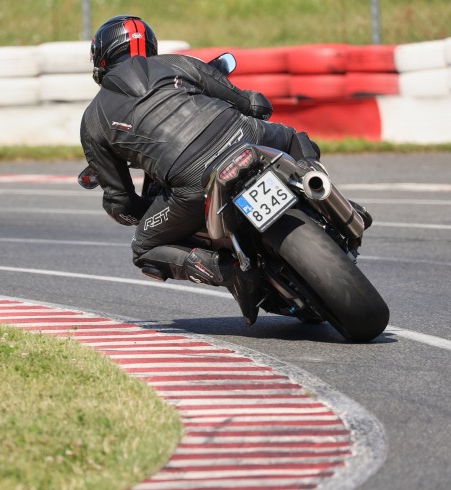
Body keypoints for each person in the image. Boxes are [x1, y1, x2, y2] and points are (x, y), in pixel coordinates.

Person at [79, 14, 344, 321]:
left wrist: (140, 213)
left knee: (143, 247)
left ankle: (229, 271)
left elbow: (119, 202)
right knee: (294, 137)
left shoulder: (93, 120)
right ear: (150, 45)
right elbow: (251, 103)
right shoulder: (177, 63)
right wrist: (254, 104)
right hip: (245, 137)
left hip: (193, 180)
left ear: (100, 58)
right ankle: (320, 190)